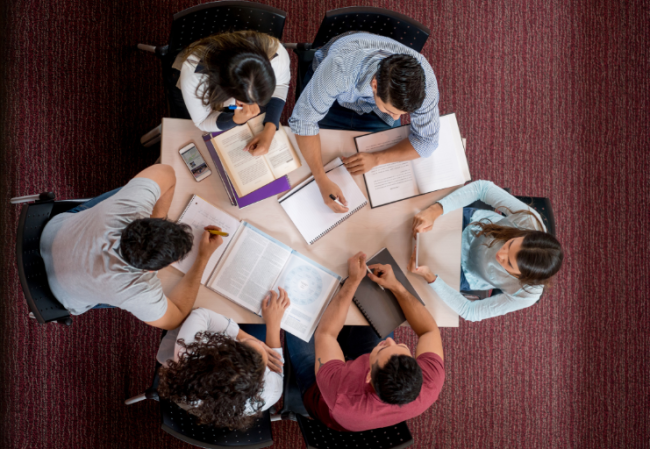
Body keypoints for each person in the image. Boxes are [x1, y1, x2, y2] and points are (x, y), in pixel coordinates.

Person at [40, 164, 223, 330]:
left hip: (48, 233)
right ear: (151, 269)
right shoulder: (135, 289)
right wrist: (202, 258)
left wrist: (157, 219)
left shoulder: (129, 208)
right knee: (133, 303)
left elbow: (167, 172)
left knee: (130, 191)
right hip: (58, 293)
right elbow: (175, 319)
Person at [286, 252, 445, 432]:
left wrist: (352, 282)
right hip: (366, 383)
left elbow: (326, 334)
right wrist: (396, 287)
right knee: (379, 306)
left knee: (295, 315)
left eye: (384, 348)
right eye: (401, 346)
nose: (390, 341)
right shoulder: (431, 381)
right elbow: (428, 331)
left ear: (368, 375)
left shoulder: (340, 394)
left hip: (323, 395)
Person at [288, 32, 440, 213]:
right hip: (337, 96)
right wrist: (321, 179)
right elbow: (304, 122)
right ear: (374, 85)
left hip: (373, 107)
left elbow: (427, 142)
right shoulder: (339, 67)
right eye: (391, 111)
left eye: (402, 114)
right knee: (308, 165)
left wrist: (378, 158)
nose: (394, 119)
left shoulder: (425, 83)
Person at [410, 180, 564, 322]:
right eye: (509, 245)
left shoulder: (527, 294)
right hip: (471, 226)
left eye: (509, 263)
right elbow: (483, 189)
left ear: (521, 278)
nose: (500, 254)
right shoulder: (529, 221)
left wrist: (431, 278)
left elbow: (471, 312)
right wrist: (436, 210)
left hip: (466, 272)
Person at [157, 288, 290, 429]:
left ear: (222, 347)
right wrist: (273, 326)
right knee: (258, 320)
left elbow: (201, 314)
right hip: (204, 401)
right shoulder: (270, 393)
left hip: (184, 369)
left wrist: (248, 340)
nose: (260, 343)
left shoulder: (190, 353)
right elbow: (277, 365)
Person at [175, 30, 291, 156]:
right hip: (199, 90)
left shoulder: (276, 52)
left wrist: (270, 128)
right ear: (226, 90)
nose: (255, 105)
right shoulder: (195, 77)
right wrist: (234, 120)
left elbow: (281, 85)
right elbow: (202, 121)